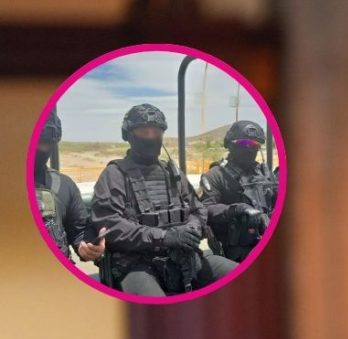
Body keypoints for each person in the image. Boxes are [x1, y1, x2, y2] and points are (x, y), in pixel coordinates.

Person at [91, 103, 236, 296]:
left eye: (156, 131)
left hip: (184, 258)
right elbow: (109, 224)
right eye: (144, 131)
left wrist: (192, 228)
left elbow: (198, 208)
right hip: (137, 265)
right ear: (128, 135)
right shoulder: (115, 174)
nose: (151, 137)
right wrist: (164, 237)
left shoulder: (172, 172)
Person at [199, 120, 277, 263]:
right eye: (243, 143)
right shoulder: (216, 175)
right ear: (230, 144)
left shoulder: (263, 174)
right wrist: (236, 210)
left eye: (254, 145)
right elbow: (205, 209)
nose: (249, 148)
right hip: (236, 250)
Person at [33, 109, 105, 262]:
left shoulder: (63, 185)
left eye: (42, 142)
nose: (34, 148)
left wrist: (87, 247)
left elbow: (79, 231)